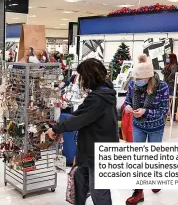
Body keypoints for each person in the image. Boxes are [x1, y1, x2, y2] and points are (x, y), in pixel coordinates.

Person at [46, 58, 118, 205]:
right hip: (92, 147)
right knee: (80, 179)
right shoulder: (105, 93)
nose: (81, 81)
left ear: (89, 77)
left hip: (98, 151)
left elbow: (78, 118)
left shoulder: (98, 98)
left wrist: (56, 128)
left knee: (99, 191)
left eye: (82, 77)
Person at [124, 54, 169, 205]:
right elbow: (127, 100)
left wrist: (146, 111)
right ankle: (138, 192)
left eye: (141, 80)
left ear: (149, 78)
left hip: (156, 127)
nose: (138, 83)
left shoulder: (162, 87)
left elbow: (164, 111)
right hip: (138, 126)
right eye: (136, 79)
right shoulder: (133, 84)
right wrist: (128, 107)